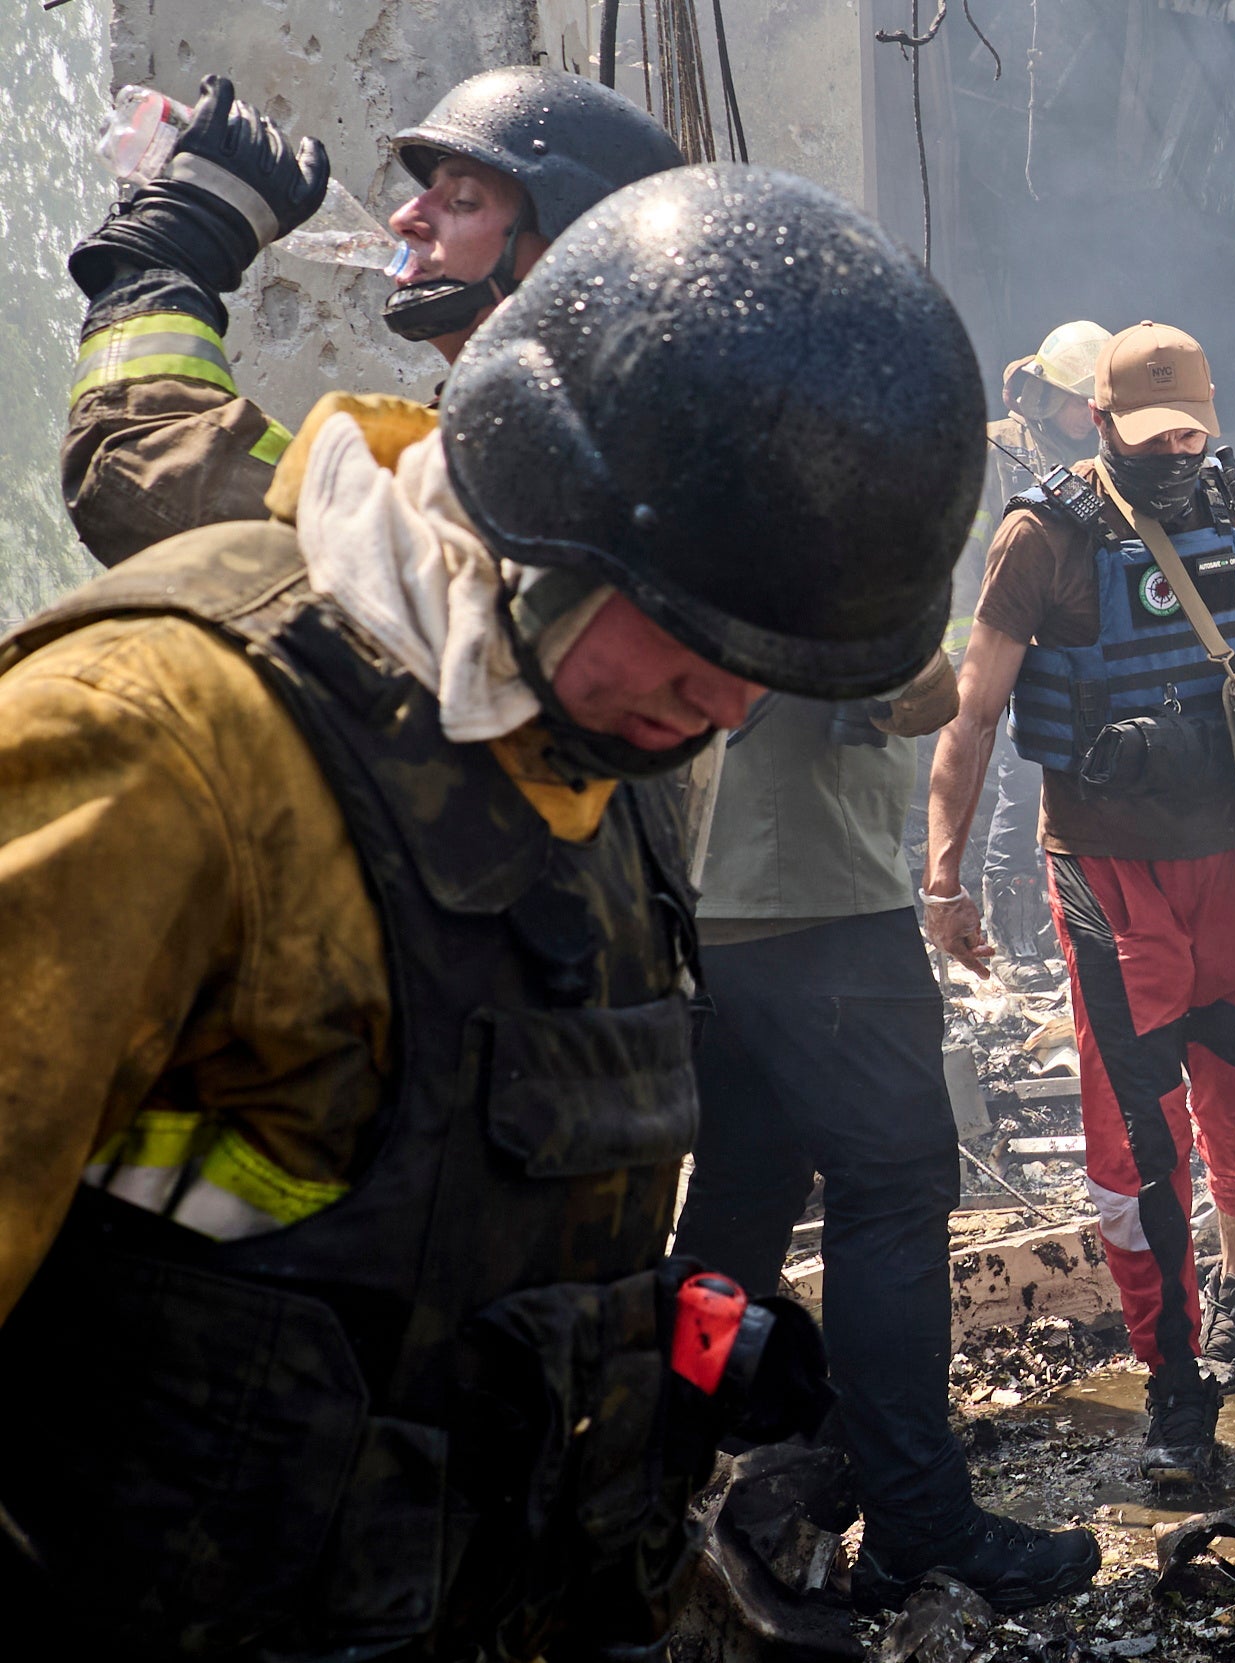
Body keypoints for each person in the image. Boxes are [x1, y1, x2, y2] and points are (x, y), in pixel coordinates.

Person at [0, 165, 981, 1658]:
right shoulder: (161, 738)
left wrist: (677, 1349)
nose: (726, 704)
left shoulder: (597, 776)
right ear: (545, 503)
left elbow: (467, 1282)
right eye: (698, 637)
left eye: (766, 667)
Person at [923, 321, 1235, 1485]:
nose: (1173, 452)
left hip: (1231, 861)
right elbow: (974, 711)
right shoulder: (1042, 535)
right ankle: (1174, 1382)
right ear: (1098, 423)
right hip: (1107, 876)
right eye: (1148, 436)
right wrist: (944, 880)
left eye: (1190, 431)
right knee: (1139, 1147)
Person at [672, 673, 1101, 1607]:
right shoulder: (819, 529)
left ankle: (662, 1450)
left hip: (707, 906)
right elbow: (909, 691)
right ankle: (919, 1520)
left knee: (736, 1202)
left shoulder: (669, 528)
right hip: (822, 906)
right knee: (893, 1199)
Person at [62, 66, 682, 566]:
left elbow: (150, 487)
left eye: (463, 200)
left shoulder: (523, 467)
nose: (404, 219)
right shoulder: (518, 439)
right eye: (429, 190)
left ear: (570, 258)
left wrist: (159, 271)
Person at [975, 323, 1113, 968]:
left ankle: (1093, 909)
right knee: (1022, 772)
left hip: (1086, 636)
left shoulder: (1115, 447)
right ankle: (1012, 917)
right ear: (1043, 393)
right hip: (1011, 632)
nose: (1082, 416)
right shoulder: (999, 451)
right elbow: (971, 553)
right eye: (1070, 400)